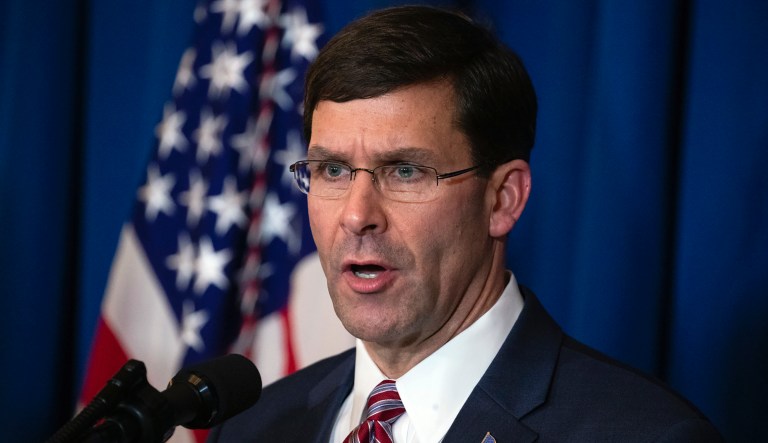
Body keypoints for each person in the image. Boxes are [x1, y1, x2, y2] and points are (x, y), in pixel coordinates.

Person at [209, 5, 722, 442]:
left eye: (405, 171)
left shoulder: (643, 434)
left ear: (502, 200)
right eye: (333, 170)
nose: (357, 215)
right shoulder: (256, 426)